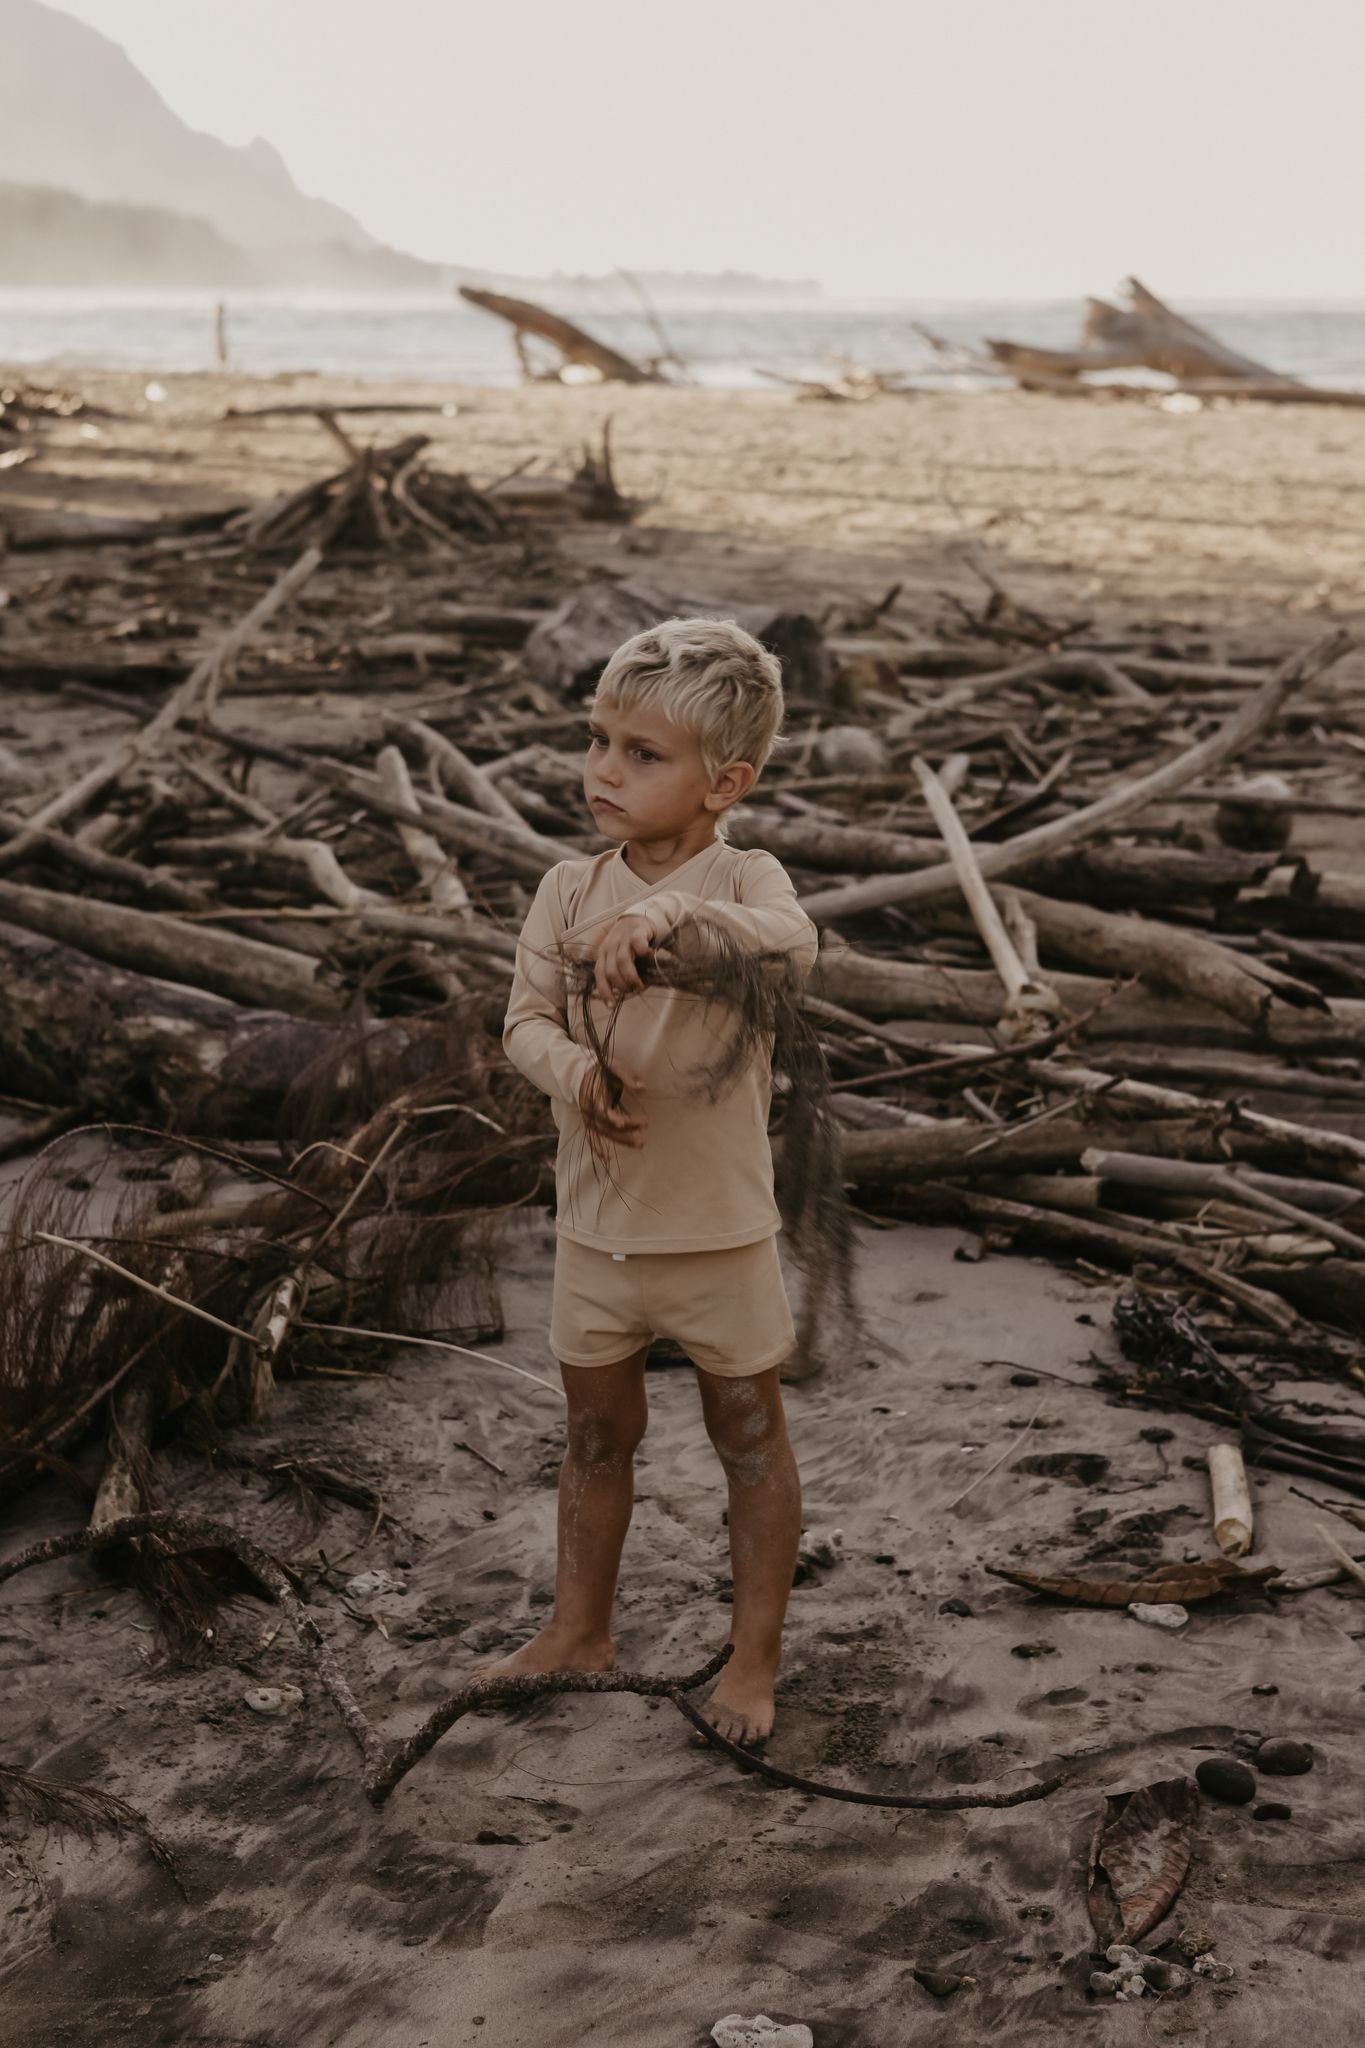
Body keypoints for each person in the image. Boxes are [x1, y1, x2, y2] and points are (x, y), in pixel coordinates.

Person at [493, 615, 819, 1744]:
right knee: (594, 1431)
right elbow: (523, 1021)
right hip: (597, 1226)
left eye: (643, 754)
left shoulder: (745, 879)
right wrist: (575, 1070)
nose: (604, 771)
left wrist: (674, 909)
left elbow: (794, 940)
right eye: (599, 741)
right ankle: (580, 1627)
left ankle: (752, 1658)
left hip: (719, 1228)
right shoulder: (564, 890)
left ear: (725, 781)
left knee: (746, 1430)